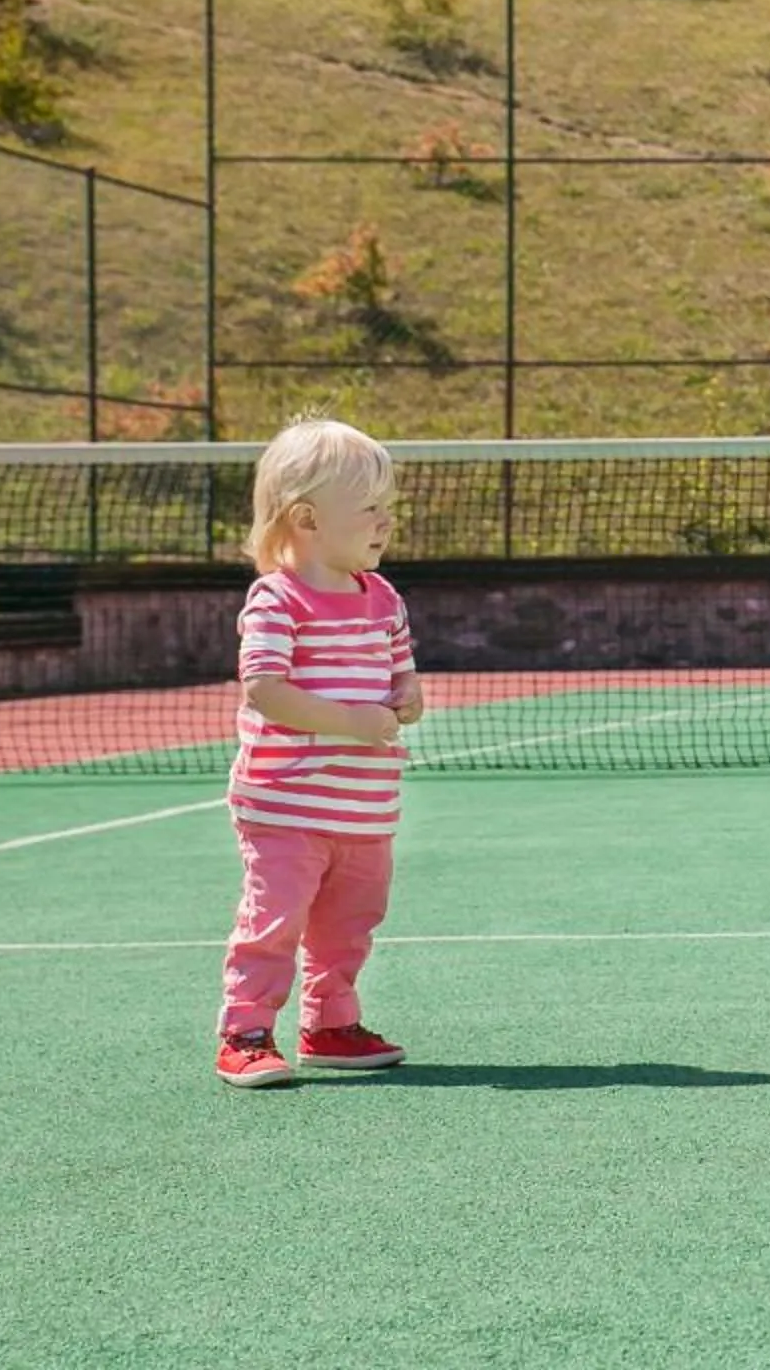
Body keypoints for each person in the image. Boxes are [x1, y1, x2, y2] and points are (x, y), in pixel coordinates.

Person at [215, 417, 422, 1088]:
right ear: (306, 519)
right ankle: (246, 1031)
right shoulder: (277, 600)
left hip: (365, 810)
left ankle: (331, 1022)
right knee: (274, 922)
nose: (384, 521)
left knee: (351, 924)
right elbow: (266, 691)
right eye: (368, 508)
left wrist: (407, 698)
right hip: (286, 806)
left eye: (386, 507)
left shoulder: (384, 599)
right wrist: (350, 724)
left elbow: (401, 676)